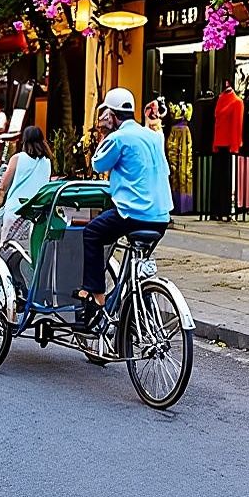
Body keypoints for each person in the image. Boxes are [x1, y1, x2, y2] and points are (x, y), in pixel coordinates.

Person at [74, 88, 173, 331]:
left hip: (133, 214)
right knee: (138, 260)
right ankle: (133, 294)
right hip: (161, 217)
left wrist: (103, 132)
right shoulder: (153, 136)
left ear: (111, 114)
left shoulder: (118, 138)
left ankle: (95, 292)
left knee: (93, 233)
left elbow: (98, 164)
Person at [0, 125, 52, 244]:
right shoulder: (47, 161)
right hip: (37, 213)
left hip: (16, 210)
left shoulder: (17, 158)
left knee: (7, 249)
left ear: (24, 140)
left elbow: (3, 185)